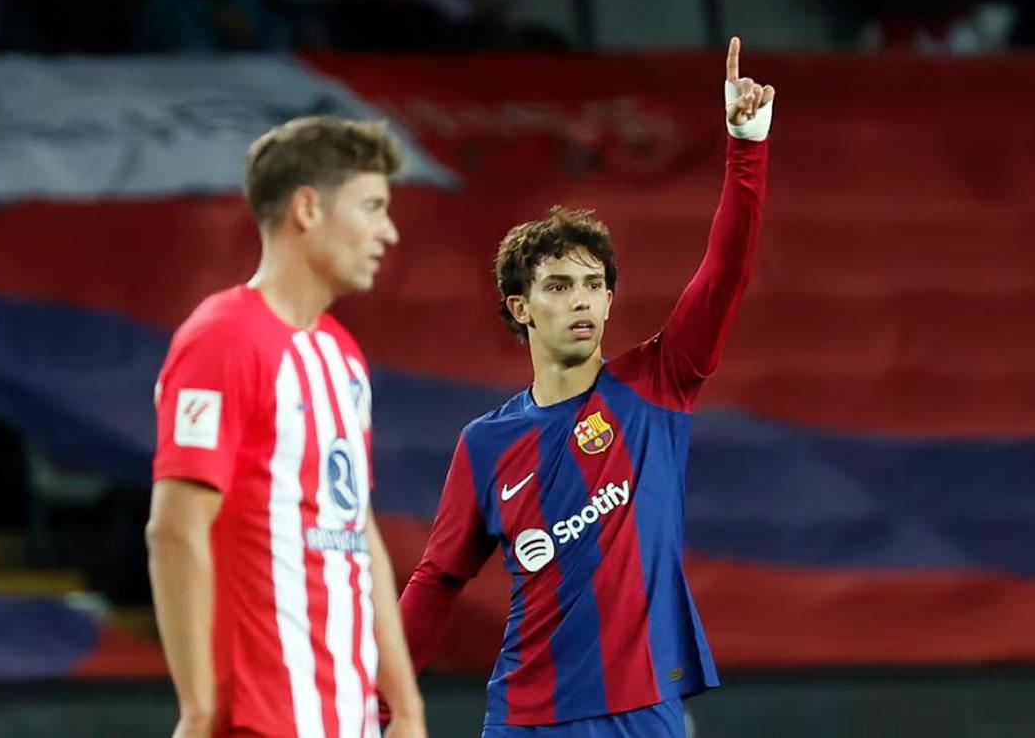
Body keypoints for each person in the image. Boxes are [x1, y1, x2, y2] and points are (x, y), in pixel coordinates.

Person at [393, 37, 774, 736]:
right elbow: (437, 579)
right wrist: (377, 704)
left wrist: (746, 147)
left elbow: (725, 273)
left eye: (594, 285)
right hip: (527, 718)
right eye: (560, 285)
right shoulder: (486, 444)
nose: (581, 300)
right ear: (520, 307)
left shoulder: (657, 383)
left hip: (642, 712)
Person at [147, 116, 427, 738]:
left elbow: (356, 531)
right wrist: (198, 708)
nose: (388, 231)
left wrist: (405, 707)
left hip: (348, 716)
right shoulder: (223, 338)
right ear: (307, 208)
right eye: (373, 207)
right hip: (264, 717)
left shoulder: (341, 354)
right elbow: (174, 529)